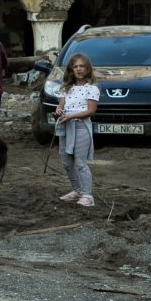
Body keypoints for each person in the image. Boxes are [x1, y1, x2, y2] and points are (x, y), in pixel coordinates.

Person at [54, 53, 100, 208]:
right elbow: (61, 105)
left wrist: (72, 116)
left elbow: (90, 111)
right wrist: (59, 111)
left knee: (80, 162)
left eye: (82, 66)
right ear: (71, 69)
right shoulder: (67, 88)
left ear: (87, 69)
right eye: (75, 66)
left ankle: (88, 195)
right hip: (66, 126)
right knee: (67, 161)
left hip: (81, 126)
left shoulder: (91, 88)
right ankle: (77, 190)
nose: (79, 69)